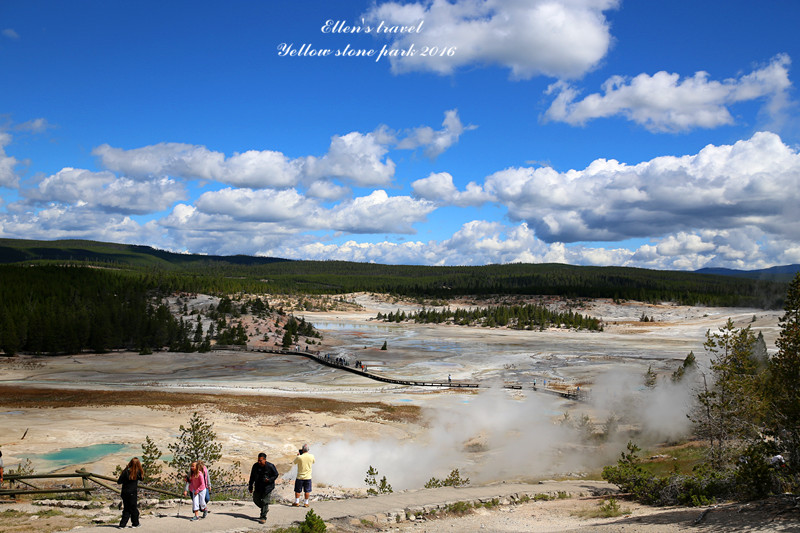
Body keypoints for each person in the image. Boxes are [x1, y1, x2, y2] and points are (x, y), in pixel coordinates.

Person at [248, 452, 279, 524]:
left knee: (265, 501)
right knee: (256, 499)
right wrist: (250, 486)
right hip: (258, 486)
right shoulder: (255, 466)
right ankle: (265, 508)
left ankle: (263, 516)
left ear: (265, 460)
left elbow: (276, 474)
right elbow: (252, 476)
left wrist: (269, 480)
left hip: (267, 487)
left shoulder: (270, 466)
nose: (259, 462)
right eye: (258, 460)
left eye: (260, 460)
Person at [116, 457, 144, 529]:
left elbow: (119, 481)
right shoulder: (138, 472)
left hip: (124, 492)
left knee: (126, 508)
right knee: (133, 508)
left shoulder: (126, 471)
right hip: (132, 493)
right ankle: (135, 523)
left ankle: (122, 524)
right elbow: (142, 479)